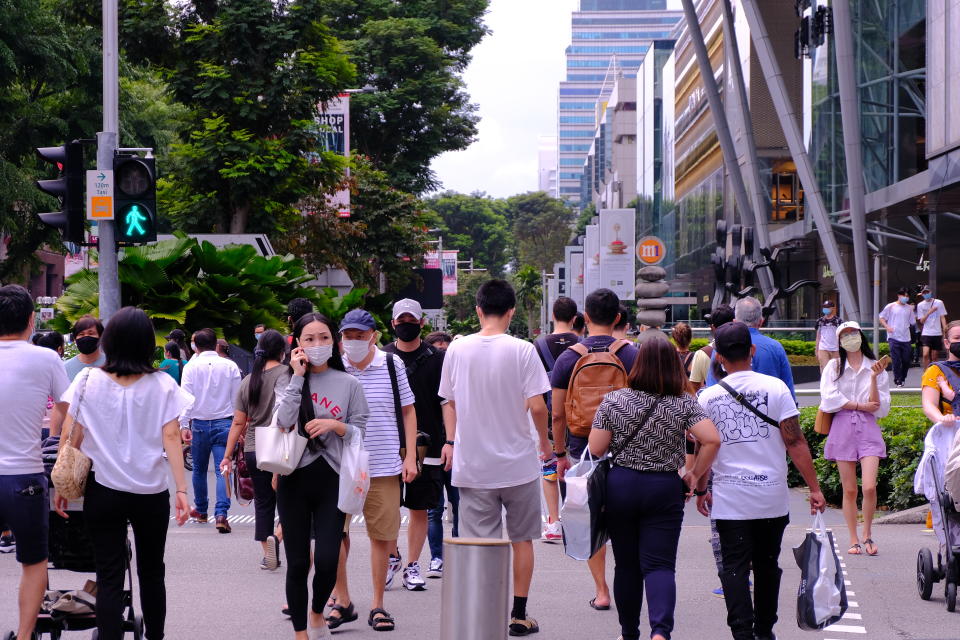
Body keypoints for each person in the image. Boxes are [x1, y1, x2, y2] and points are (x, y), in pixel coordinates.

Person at [53, 306, 191, 640]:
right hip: (151, 493)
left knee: (109, 575)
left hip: (104, 491)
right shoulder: (162, 385)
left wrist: (62, 483)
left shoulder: (87, 379)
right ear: (147, 343)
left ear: (109, 341)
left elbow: (73, 434)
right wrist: (183, 491)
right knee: (152, 573)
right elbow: (172, 437)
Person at [696, 322, 825, 640]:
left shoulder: (708, 398)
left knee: (734, 567)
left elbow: (703, 447)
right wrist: (815, 488)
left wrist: (700, 487)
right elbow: (795, 442)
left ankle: (742, 632)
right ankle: (765, 630)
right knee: (768, 564)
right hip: (772, 497)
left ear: (720, 358)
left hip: (730, 499)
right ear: (751, 351)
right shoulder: (776, 389)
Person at [439, 279, 553, 637]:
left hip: (473, 467)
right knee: (522, 539)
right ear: (511, 312)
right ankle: (518, 615)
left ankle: (482, 619)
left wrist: (452, 442)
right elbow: (537, 406)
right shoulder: (522, 350)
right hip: (518, 464)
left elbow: (449, 401)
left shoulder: (457, 350)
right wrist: (546, 444)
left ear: (478, 310)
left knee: (481, 547)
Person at [589, 339, 720, 640]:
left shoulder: (614, 400)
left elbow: (596, 448)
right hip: (663, 487)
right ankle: (660, 632)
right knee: (660, 565)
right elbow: (712, 439)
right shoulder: (683, 402)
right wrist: (694, 474)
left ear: (638, 364)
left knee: (626, 565)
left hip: (620, 485)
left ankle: (629, 632)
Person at [274, 312, 369, 640]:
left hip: (334, 480)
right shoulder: (286, 380)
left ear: (335, 341)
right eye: (309, 339)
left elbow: (361, 432)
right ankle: (301, 632)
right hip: (293, 480)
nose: (317, 345)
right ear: (297, 344)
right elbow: (283, 422)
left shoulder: (349, 384)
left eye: (324, 338)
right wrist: (298, 377)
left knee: (328, 560)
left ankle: (318, 612)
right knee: (298, 563)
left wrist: (335, 425)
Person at [552, 288, 639, 613]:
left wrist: (559, 454)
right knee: (626, 520)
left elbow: (558, 413)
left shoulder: (568, 357)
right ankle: (627, 582)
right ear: (618, 318)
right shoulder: (632, 354)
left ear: (584, 318)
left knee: (591, 518)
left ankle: (602, 591)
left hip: (581, 450)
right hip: (628, 450)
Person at [336, 308, 418, 632]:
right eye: (348, 336)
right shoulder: (332, 366)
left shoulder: (390, 363)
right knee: (334, 534)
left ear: (374, 337)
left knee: (382, 536)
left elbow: (409, 412)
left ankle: (378, 604)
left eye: (359, 335)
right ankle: (341, 600)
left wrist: (410, 457)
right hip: (339, 466)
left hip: (383, 464)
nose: (353, 341)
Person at [0, 285, 69, 640]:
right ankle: (26, 637)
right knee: (33, 561)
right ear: (31, 320)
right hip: (24, 475)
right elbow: (68, 409)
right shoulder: (46, 358)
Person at [381, 299, 454, 587]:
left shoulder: (438, 359)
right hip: (387, 442)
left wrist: (451, 440)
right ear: (393, 324)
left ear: (421, 323)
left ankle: (412, 565)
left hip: (429, 445)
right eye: (402, 320)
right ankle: (392, 556)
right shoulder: (383, 357)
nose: (406, 325)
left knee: (420, 507)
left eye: (412, 320)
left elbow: (448, 402)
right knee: (386, 507)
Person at [818, 321, 890, 557]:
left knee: (869, 486)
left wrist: (872, 379)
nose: (850, 337)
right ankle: (853, 538)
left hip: (868, 428)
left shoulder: (875, 366)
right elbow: (829, 399)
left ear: (861, 335)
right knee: (849, 490)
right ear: (838, 341)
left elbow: (880, 407)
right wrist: (860, 405)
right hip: (842, 427)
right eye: (845, 334)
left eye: (853, 333)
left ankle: (868, 533)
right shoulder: (833, 366)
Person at [220, 329, 291, 570]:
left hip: (253, 448)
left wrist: (227, 456)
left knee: (263, 502)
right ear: (282, 351)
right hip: (281, 447)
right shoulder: (287, 374)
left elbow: (238, 422)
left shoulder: (248, 380)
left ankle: (266, 553)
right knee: (288, 501)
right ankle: (277, 539)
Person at [179, 328, 242, 533]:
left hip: (198, 423)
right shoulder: (230, 366)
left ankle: (202, 511)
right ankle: (222, 514)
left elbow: (185, 398)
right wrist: (238, 425)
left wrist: (183, 424)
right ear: (216, 344)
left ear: (196, 345)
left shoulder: (190, 366)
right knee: (222, 469)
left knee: (198, 470)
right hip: (224, 422)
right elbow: (237, 400)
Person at [532, 296, 580, 542]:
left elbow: (533, 388)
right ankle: (580, 520)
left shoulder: (538, 345)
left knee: (550, 465)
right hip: (581, 414)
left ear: (553, 316)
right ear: (575, 318)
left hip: (551, 415)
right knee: (581, 467)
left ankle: (553, 522)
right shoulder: (584, 344)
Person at [706, 297, 796, 400]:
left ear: (735, 321)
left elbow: (712, 389)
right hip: (771, 413)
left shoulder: (721, 345)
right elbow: (789, 395)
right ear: (761, 322)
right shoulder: (776, 348)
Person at [921, 321, 960, 427]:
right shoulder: (936, 370)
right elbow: (929, 404)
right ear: (947, 343)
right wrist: (942, 419)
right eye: (957, 338)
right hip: (951, 432)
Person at [688, 305, 734, 394]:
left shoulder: (702, 353)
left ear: (712, 327)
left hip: (712, 402)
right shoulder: (745, 349)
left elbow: (695, 386)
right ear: (734, 322)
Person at [879, 287, 917, 387]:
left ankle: (903, 377)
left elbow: (913, 322)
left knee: (905, 360)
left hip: (906, 338)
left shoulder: (909, 308)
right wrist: (887, 327)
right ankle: (897, 380)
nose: (905, 297)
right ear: (898, 295)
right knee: (896, 360)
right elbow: (881, 318)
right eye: (903, 295)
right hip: (893, 337)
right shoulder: (891, 306)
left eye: (907, 296)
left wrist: (914, 312)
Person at [64, 314, 105, 381]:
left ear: (100, 337)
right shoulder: (65, 368)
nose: (86, 337)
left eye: (91, 333)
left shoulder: (112, 365)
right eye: (81, 334)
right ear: (75, 339)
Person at [917, 286, 948, 370]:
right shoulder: (920, 305)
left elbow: (942, 317)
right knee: (925, 354)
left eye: (927, 292)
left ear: (931, 292)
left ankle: (933, 372)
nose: (926, 294)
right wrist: (929, 312)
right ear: (921, 294)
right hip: (926, 333)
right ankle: (925, 372)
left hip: (937, 332)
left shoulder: (939, 302)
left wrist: (945, 329)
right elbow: (921, 321)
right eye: (924, 293)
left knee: (934, 356)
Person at [815, 300, 842, 370]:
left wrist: (841, 349)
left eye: (828, 307)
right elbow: (818, 336)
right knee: (825, 369)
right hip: (823, 348)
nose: (826, 309)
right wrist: (816, 350)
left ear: (833, 308)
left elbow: (841, 335)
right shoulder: (820, 321)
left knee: (836, 369)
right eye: (824, 307)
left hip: (835, 349)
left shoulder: (838, 321)